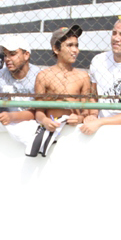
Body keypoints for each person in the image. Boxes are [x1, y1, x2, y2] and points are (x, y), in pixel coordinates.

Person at [28, 26, 90, 156]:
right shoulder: (43, 76)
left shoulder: (83, 76)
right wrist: (45, 121)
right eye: (69, 45)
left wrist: (78, 118)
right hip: (52, 131)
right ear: (56, 49)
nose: (75, 50)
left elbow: (87, 111)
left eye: (76, 45)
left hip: (75, 134)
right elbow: (38, 111)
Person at [0, 35, 40, 125]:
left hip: (33, 127)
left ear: (26, 55)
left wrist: (11, 117)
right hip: (5, 127)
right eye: (5, 55)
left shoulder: (39, 76)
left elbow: (38, 112)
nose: (7, 59)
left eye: (13, 54)